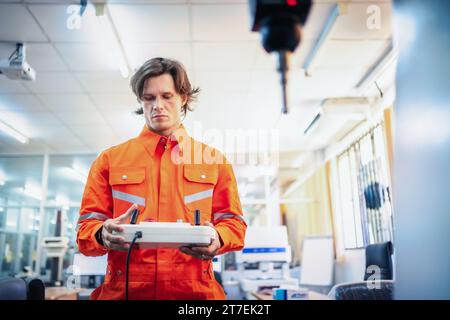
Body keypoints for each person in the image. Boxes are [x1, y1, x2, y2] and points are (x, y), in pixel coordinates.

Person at [76, 57, 246, 300]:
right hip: (125, 292)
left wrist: (218, 238)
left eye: (167, 96)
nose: (158, 105)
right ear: (141, 101)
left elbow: (234, 224)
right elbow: (85, 230)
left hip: (195, 294)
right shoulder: (109, 160)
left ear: (183, 98)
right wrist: (102, 234)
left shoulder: (213, 160)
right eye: (149, 98)